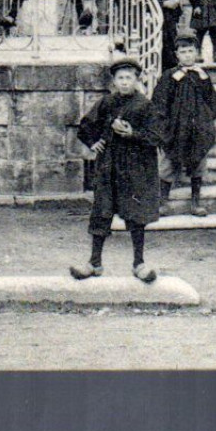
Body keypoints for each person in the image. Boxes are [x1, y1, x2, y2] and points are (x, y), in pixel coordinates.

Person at [72, 58, 165, 282]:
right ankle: (94, 263)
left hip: (135, 169)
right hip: (108, 166)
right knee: (101, 212)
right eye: (120, 78)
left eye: (129, 78)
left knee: (136, 216)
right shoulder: (106, 103)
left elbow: (157, 137)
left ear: (137, 80)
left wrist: (133, 133)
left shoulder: (146, 106)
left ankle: (139, 264)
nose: (124, 82)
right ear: (114, 81)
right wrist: (93, 142)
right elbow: (85, 125)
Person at [152, 33, 216, 218]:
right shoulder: (170, 76)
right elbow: (159, 102)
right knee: (168, 164)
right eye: (183, 52)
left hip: (197, 129)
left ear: (197, 53)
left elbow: (212, 103)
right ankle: (163, 201)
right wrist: (163, 127)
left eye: (191, 51)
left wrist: (206, 121)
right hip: (175, 129)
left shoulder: (202, 76)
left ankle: (196, 202)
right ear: (177, 55)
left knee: (198, 163)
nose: (187, 55)